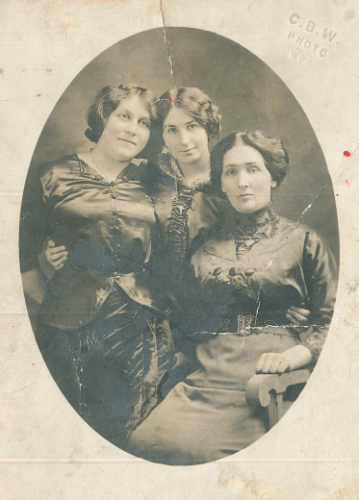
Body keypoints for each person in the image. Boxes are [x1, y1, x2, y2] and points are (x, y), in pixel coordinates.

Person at [127, 130, 338, 465]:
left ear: (273, 177)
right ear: (221, 184)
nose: (243, 182)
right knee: (140, 444)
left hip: (268, 377)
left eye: (253, 169)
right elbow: (186, 315)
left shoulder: (304, 241)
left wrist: (298, 353)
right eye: (231, 172)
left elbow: (340, 320)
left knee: (205, 456)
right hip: (207, 375)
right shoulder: (206, 245)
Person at [36, 84, 175, 448]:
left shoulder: (155, 179)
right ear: (103, 118)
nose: (132, 129)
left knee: (131, 435)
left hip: (139, 325)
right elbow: (20, 252)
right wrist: (44, 267)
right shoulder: (52, 174)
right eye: (124, 116)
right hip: (68, 325)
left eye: (144, 122)